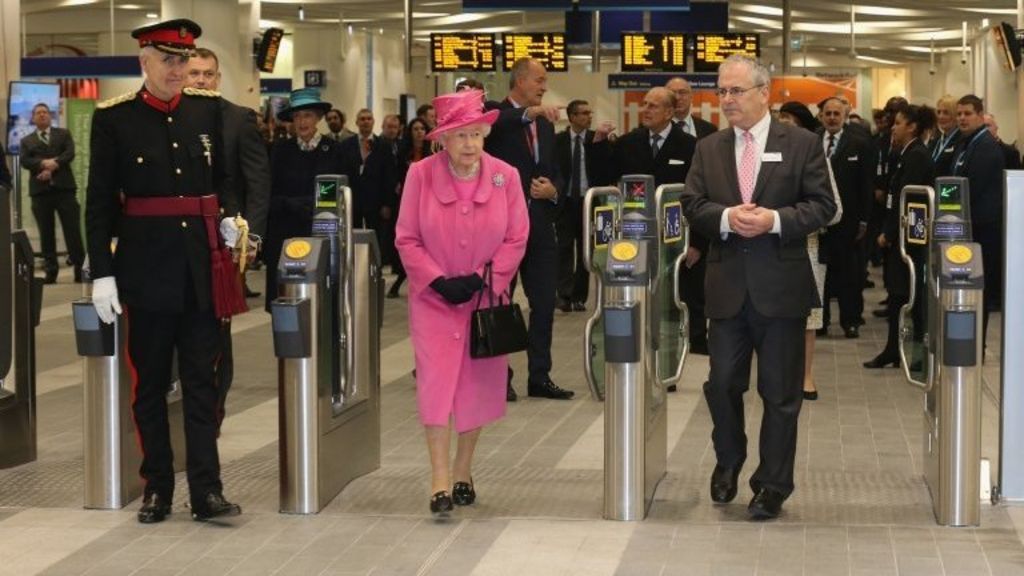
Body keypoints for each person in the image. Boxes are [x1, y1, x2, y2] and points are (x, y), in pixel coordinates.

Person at [86, 18, 244, 524]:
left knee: (203, 383)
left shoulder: (208, 112)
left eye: (184, 61)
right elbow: (98, 202)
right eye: (169, 61)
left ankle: (207, 491)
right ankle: (157, 487)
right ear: (145, 62)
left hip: (200, 269)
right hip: (145, 271)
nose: (179, 70)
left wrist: (230, 221)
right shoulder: (115, 119)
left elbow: (226, 179)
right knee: (150, 385)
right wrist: (102, 272)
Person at [681, 55, 835, 520]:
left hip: (782, 289)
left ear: (763, 92)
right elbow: (692, 201)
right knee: (722, 383)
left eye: (736, 91)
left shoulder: (803, 143)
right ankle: (729, 459)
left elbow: (823, 206)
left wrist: (775, 220)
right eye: (722, 92)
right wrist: (727, 218)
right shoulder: (709, 147)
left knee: (780, 392)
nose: (726, 100)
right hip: (727, 287)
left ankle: (772, 485)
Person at [395, 89, 529, 516]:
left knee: (475, 387)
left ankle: (462, 471)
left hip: (485, 300)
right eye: (461, 136)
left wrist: (485, 279)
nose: (470, 144)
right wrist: (436, 280)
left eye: (477, 134)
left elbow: (517, 237)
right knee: (435, 386)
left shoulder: (505, 176)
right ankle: (438, 480)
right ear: (442, 140)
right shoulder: (420, 175)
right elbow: (406, 238)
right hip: (434, 301)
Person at [186, 46, 270, 428]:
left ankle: (213, 416)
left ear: (218, 79)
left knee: (217, 333)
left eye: (208, 74)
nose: (201, 79)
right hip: (178, 245)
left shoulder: (238, 120)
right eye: (194, 73)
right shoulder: (169, 121)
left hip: (225, 246)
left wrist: (250, 239)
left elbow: (258, 183)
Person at [484, 57, 572, 402]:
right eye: (539, 80)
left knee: (544, 303)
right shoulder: (496, 114)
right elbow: (497, 123)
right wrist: (530, 113)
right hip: (501, 229)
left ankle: (540, 376)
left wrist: (555, 191)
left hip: (539, 225)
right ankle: (498, 377)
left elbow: (556, 170)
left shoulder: (547, 126)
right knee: (499, 302)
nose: (544, 86)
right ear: (519, 81)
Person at [592, 86, 698, 364]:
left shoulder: (689, 145)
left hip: (672, 238)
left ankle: (668, 361)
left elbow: (698, 196)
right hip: (633, 237)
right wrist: (600, 144)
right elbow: (603, 177)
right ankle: (638, 353)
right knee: (639, 297)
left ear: (670, 112)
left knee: (669, 300)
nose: (646, 110)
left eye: (653, 106)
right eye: (645, 104)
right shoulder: (630, 141)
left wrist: (696, 243)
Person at [777, 101, 843, 403]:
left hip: (807, 246)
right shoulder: (768, 156)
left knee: (808, 317)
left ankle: (805, 375)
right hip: (771, 246)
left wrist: (796, 217)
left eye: (789, 120)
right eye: (780, 121)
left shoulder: (815, 155)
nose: (784, 126)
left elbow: (835, 210)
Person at [863, 104, 936, 369]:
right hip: (901, 234)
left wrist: (890, 233)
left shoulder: (917, 155)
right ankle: (894, 349)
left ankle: (915, 354)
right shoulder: (904, 153)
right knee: (897, 296)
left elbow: (908, 199)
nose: (892, 128)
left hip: (910, 238)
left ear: (912, 127)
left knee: (909, 296)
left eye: (898, 123)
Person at [264, 89, 346, 308]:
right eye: (298, 116)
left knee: (321, 300)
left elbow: (338, 193)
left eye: (308, 115)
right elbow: (269, 191)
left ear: (319, 117)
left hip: (320, 231)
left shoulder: (334, 150)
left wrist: (309, 205)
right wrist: (290, 204)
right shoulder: (280, 150)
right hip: (285, 234)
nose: (302, 121)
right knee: (285, 301)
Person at [818, 97, 874, 342]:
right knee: (820, 274)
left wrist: (864, 220)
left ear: (844, 116)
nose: (831, 118)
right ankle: (820, 321)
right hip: (818, 221)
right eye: (827, 113)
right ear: (821, 116)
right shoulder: (811, 141)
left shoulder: (860, 143)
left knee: (849, 275)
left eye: (836, 114)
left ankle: (851, 321)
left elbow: (867, 185)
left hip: (849, 223)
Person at [952, 95, 1006, 353]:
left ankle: (975, 347)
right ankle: (968, 343)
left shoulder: (984, 146)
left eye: (967, 113)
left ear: (980, 115)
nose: (962, 118)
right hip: (967, 229)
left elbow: (971, 188)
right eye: (959, 113)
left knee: (977, 294)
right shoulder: (966, 143)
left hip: (981, 233)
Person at [19, 102, 86, 283]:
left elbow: (70, 153)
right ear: (33, 118)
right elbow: (25, 161)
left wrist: (54, 164)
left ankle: (80, 269)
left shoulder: (63, 134)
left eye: (45, 112)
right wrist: (43, 164)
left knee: (72, 231)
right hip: (40, 193)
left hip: (65, 190)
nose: (42, 115)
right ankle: (51, 272)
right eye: (38, 113)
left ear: (50, 116)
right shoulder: (26, 141)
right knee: (46, 233)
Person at [553, 99, 602, 313]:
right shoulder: (558, 141)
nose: (588, 117)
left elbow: (604, 167)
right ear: (572, 117)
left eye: (589, 113)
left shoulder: (596, 140)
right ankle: (563, 295)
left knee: (585, 251)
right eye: (583, 113)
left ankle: (579, 296)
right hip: (565, 202)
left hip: (588, 202)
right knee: (564, 248)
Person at [387, 117, 434, 299]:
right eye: (415, 128)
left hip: (428, 201)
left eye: (422, 128)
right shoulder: (402, 153)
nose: (419, 132)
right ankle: (402, 277)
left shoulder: (432, 152)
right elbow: (395, 176)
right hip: (407, 201)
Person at [930, 95, 961, 176]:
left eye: (946, 112)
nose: (941, 116)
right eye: (939, 112)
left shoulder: (961, 140)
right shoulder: (936, 140)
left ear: (955, 115)